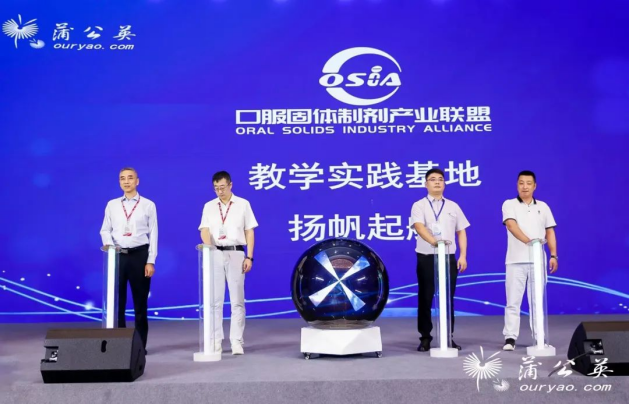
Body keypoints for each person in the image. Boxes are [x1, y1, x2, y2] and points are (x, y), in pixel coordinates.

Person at [199, 171, 258, 355]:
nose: (220, 191)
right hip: (215, 253)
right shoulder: (209, 206)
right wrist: (209, 247)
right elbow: (204, 229)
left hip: (236, 253)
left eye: (223, 187)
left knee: (237, 300)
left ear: (230, 185)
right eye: (216, 188)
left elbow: (249, 231)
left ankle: (236, 341)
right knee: (214, 301)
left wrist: (249, 256)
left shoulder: (243, 204)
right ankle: (215, 341)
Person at [411, 168, 469, 352]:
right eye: (433, 179)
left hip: (448, 257)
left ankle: (447, 337)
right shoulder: (419, 205)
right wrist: (435, 242)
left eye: (440, 179)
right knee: (425, 297)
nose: (437, 182)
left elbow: (461, 231)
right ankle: (425, 337)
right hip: (427, 256)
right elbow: (419, 227)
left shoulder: (453, 206)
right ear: (426, 184)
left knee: (448, 298)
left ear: (444, 183)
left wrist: (463, 255)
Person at [100, 167, 158, 353]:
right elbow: (105, 230)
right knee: (118, 304)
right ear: (119, 182)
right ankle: (120, 345)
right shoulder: (112, 205)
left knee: (140, 304)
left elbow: (153, 234)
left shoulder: (148, 205)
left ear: (137, 181)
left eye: (130, 178)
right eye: (122, 178)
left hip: (140, 256)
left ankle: (140, 347)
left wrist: (150, 260)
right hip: (118, 256)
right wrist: (111, 248)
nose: (126, 181)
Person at [502, 170, 558, 351]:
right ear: (517, 185)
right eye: (521, 183)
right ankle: (510, 337)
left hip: (537, 261)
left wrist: (553, 254)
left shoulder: (543, 206)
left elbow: (550, 231)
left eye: (528, 183)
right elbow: (511, 225)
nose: (524, 186)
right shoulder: (509, 204)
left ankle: (539, 337)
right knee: (513, 301)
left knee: (536, 302)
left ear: (535, 186)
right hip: (515, 261)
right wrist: (530, 241)